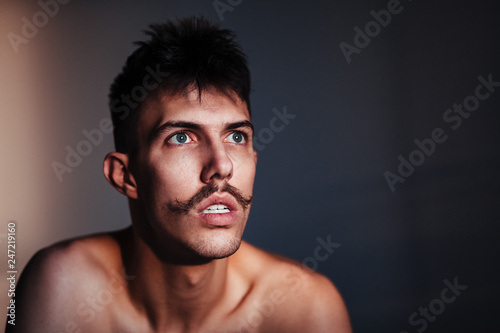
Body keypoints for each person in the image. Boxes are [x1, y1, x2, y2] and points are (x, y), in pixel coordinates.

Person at [9, 17, 352, 332]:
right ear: (125, 176)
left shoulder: (304, 310)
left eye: (236, 136)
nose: (222, 166)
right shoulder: (62, 288)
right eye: (181, 137)